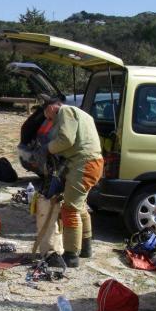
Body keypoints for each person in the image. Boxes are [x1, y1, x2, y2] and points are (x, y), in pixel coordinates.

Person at [42, 96, 104, 267]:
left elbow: (66, 139)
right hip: (92, 163)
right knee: (80, 206)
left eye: (48, 116)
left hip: (84, 165)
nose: (50, 120)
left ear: (53, 108)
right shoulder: (83, 114)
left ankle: (71, 255)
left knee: (69, 209)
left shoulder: (65, 111)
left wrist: (47, 148)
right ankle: (86, 248)